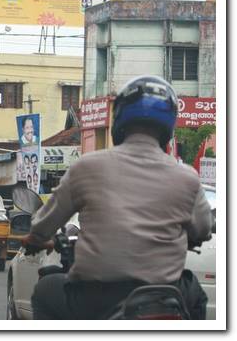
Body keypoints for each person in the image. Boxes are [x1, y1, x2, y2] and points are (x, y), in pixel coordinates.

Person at [24, 76, 212, 320]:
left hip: (95, 298)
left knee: (45, 291)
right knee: (195, 295)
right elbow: (203, 228)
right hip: (163, 299)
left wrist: (36, 238)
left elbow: (43, 225)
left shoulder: (87, 166)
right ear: (169, 124)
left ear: (120, 117)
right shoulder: (188, 177)